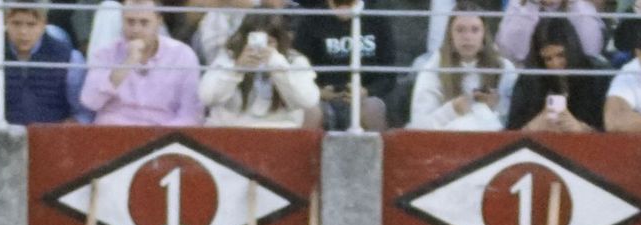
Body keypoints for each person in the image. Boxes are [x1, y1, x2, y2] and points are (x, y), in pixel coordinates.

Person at [0, 3, 86, 124]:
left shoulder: (70, 58)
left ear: (44, 24)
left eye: (31, 24)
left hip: (54, 140)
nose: (23, 32)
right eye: (16, 23)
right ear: (6, 21)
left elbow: (82, 114)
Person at [80, 0, 201, 125]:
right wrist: (127, 63)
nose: (136, 29)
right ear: (122, 20)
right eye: (130, 22)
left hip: (164, 133)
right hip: (114, 131)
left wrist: (162, 137)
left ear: (159, 22)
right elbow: (91, 102)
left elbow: (190, 114)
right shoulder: (106, 53)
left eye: (144, 23)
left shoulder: (182, 55)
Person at [199, 11, 320, 127]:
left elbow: (308, 101)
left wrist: (277, 66)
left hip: (280, 133)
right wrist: (236, 70)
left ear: (280, 40)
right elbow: (207, 97)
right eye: (254, 41)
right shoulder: (228, 58)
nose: (261, 48)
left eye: (269, 42)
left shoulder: (294, 60)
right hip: (231, 130)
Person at [408, 4, 516, 132]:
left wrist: (494, 107)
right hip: (444, 140)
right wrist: (452, 110)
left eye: (475, 30)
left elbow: (512, 122)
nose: (467, 37)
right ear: (450, 36)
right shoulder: (433, 68)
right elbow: (419, 125)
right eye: (460, 30)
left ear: (484, 35)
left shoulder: (504, 68)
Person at [291, 0, 395, 131]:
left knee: (373, 108)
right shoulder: (311, 20)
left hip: (365, 98)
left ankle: (383, 151)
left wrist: (366, 91)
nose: (343, 7)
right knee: (309, 110)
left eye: (349, 3)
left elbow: (389, 75)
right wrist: (317, 92)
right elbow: (298, 69)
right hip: (322, 98)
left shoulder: (377, 20)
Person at [506, 17, 608, 132]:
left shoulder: (598, 76)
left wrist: (581, 129)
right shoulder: (529, 81)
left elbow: (613, 132)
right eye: (548, 59)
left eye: (561, 55)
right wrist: (532, 126)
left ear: (572, 49)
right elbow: (510, 133)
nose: (555, 64)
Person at [495, 0, 604, 65]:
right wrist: (531, 5)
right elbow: (509, 52)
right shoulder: (521, 4)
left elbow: (590, 53)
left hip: (572, 81)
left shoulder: (581, 9)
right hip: (527, 77)